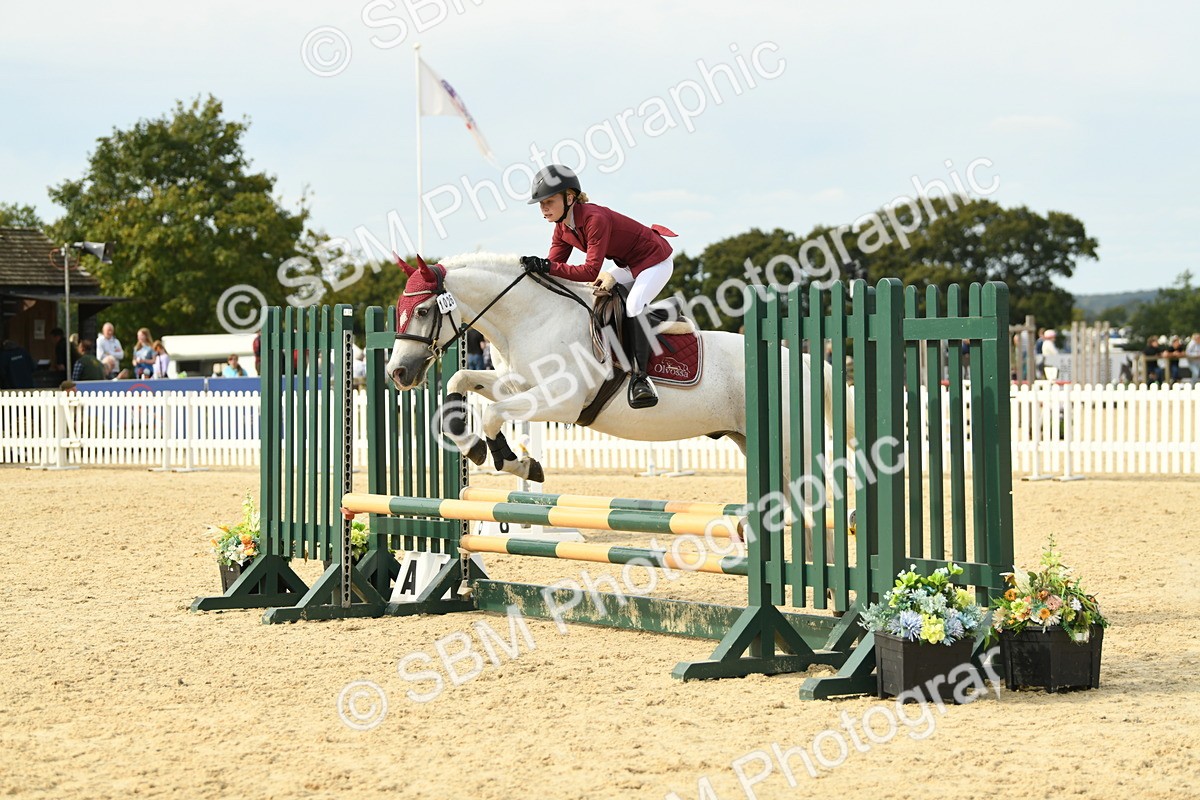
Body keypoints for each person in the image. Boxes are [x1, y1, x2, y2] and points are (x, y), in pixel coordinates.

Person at [520, 164, 677, 409]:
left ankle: (640, 379)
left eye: (548, 201)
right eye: (540, 203)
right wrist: (532, 272)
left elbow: (589, 271)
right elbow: (554, 268)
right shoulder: (562, 228)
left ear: (569, 198)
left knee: (634, 304)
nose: (543, 208)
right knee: (598, 297)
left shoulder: (595, 219)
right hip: (628, 265)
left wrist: (546, 267)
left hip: (654, 260)